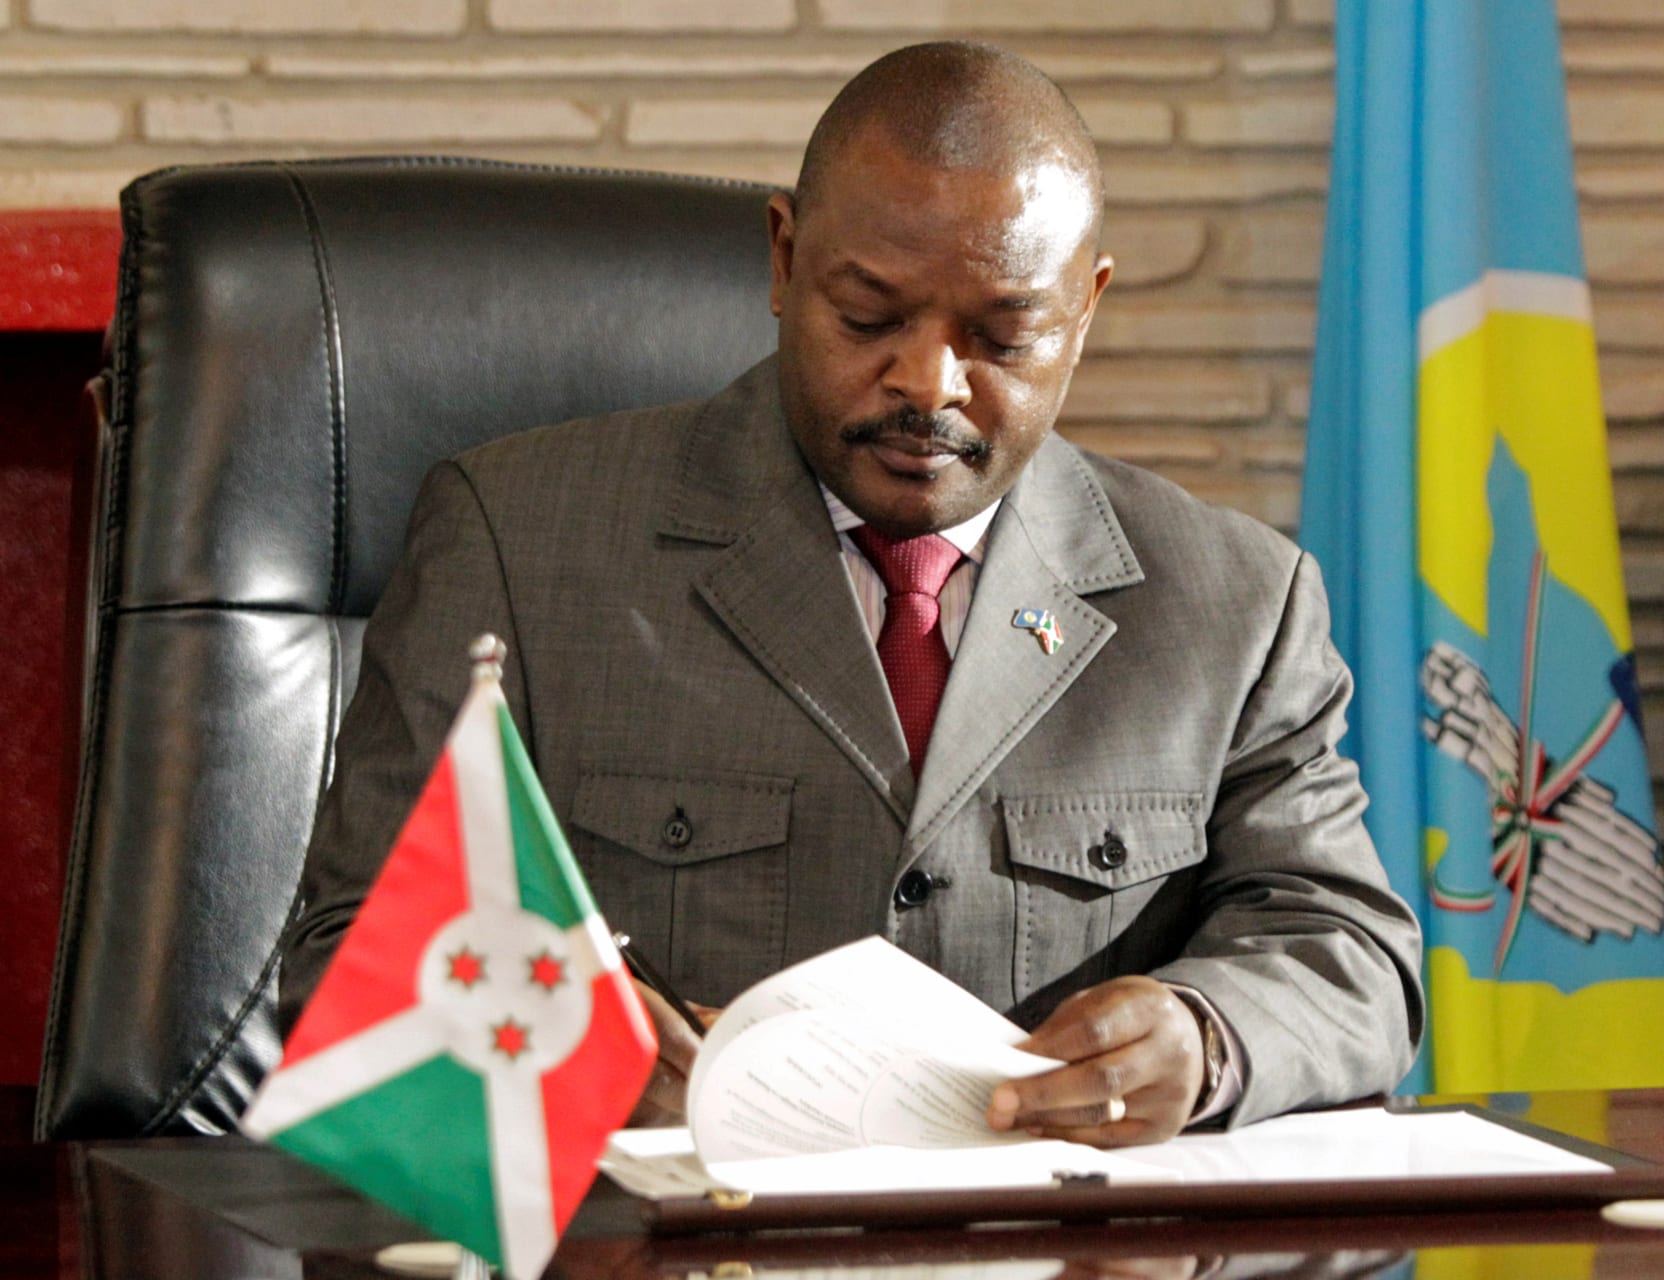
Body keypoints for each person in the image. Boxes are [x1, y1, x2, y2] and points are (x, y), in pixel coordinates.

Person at [283, 40, 1424, 1148]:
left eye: (1004, 334)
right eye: (869, 316)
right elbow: (352, 949)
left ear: (1087, 307)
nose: (928, 381)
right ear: (783, 261)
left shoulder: (1233, 599)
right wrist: (569, 1044)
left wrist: (1205, 1034)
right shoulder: (518, 540)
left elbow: (1350, 951)